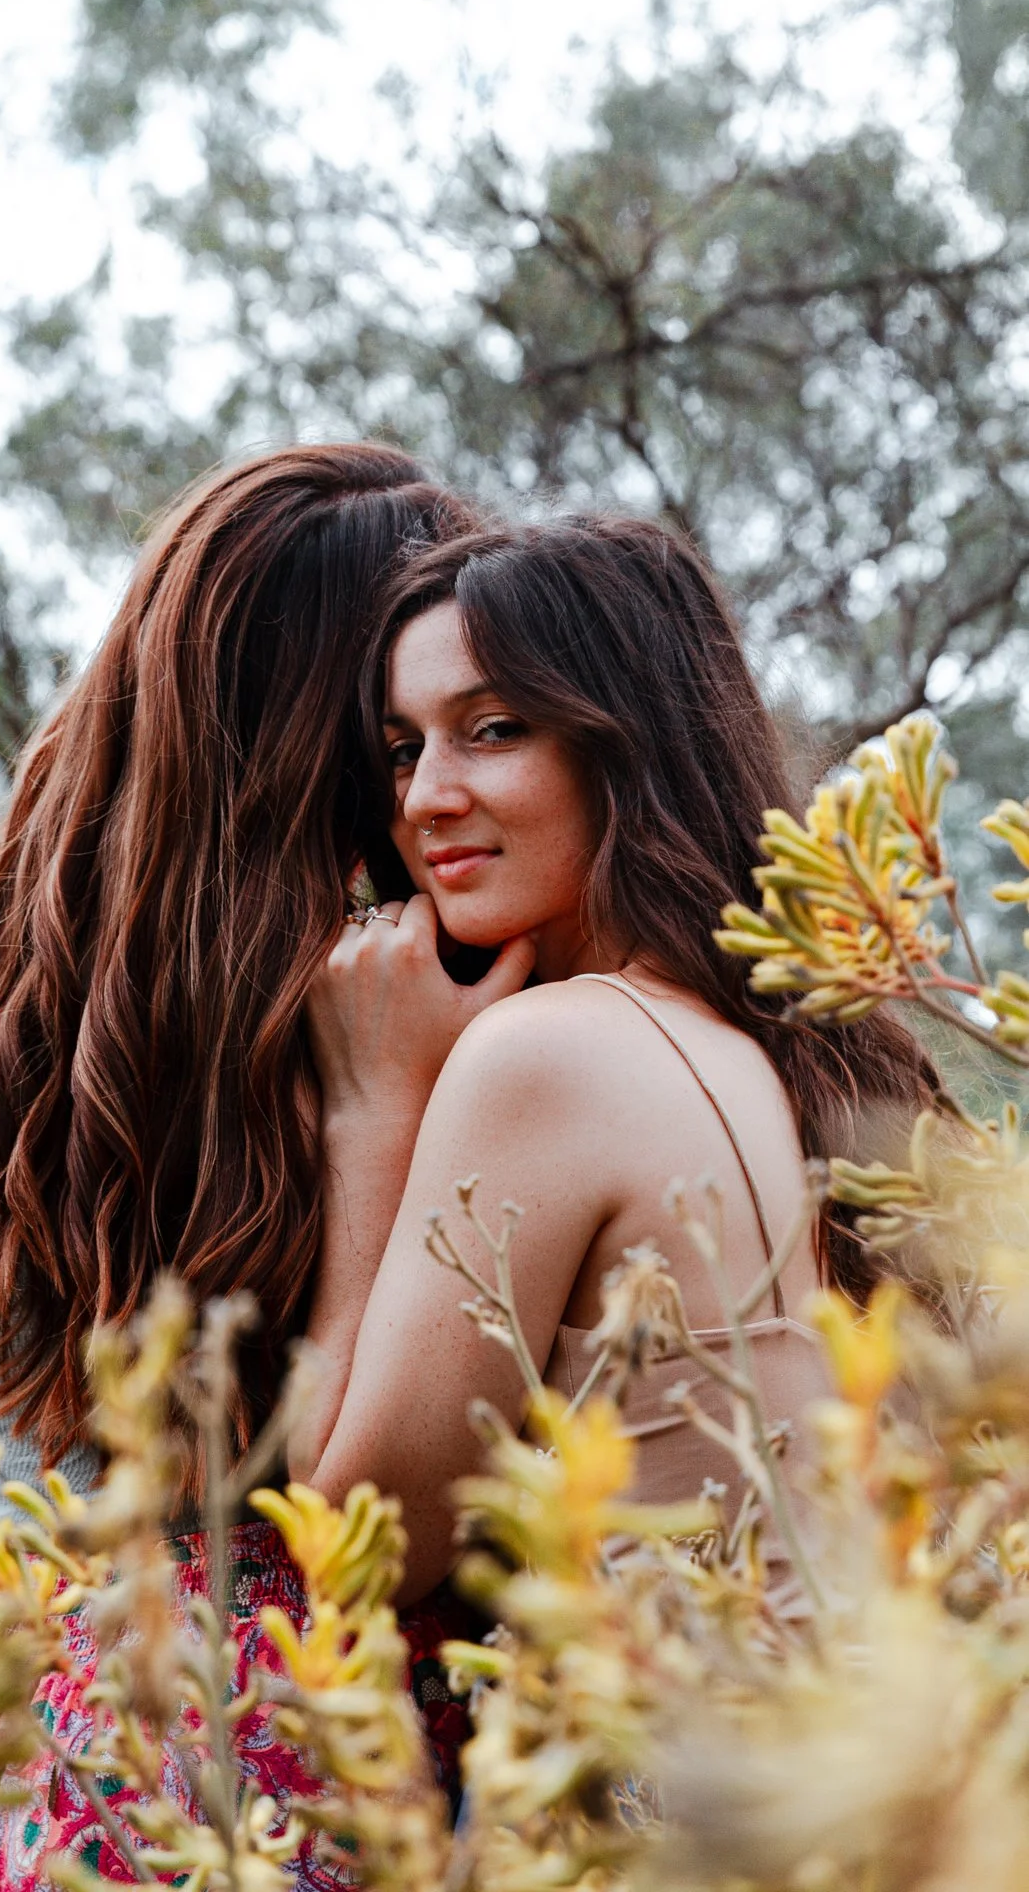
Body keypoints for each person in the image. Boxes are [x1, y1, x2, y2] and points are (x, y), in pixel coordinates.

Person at [0, 444, 533, 1887]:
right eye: (403, 741)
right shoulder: (407, 1016)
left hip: (26, 1789)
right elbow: (357, 1526)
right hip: (284, 1785)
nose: (435, 790)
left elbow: (37, 1501)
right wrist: (378, 1126)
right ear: (334, 759)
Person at [294, 515, 937, 1603]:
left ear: (627, 740)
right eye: (404, 748)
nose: (423, 797)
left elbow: (360, 1554)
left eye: (492, 728)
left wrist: (370, 1110)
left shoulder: (545, 1056)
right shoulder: (811, 1047)